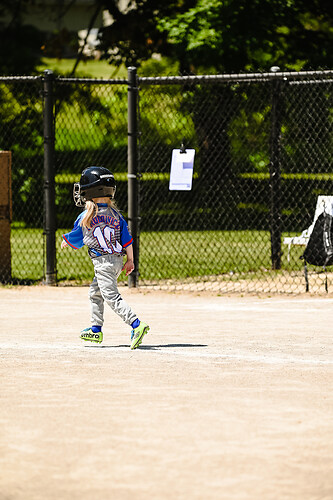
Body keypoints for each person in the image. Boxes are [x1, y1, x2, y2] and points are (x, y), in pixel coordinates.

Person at [61, 166, 149, 350]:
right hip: (116, 262)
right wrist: (130, 260)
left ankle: (136, 324)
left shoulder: (86, 216)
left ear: (90, 191)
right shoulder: (117, 216)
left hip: (103, 264)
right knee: (96, 292)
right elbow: (127, 241)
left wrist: (66, 242)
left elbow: (77, 238)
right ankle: (95, 329)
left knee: (112, 297)